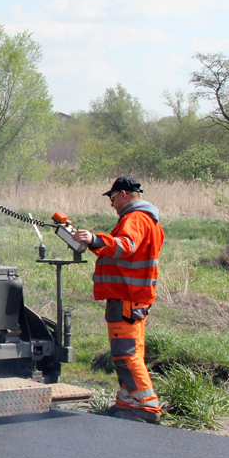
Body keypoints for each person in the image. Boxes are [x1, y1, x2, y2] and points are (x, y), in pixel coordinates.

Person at [73, 176, 166, 424]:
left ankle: (147, 407)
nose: (111, 204)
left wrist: (94, 239)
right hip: (134, 299)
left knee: (127, 356)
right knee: (129, 354)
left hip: (127, 298)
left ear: (124, 194)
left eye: (113, 198)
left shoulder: (135, 218)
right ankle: (128, 402)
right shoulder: (149, 220)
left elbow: (126, 246)